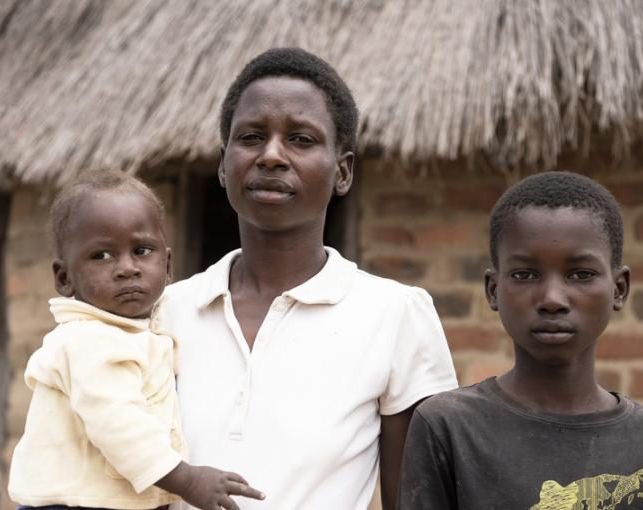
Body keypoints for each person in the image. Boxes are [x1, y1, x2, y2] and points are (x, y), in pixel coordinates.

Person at [159, 47, 458, 509]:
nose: (272, 155)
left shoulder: (395, 315)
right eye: (252, 137)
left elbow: (414, 500)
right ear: (223, 165)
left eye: (300, 139)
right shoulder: (167, 312)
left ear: (342, 172)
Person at [397, 171, 643, 509]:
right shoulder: (450, 428)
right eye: (525, 275)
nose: (553, 298)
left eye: (580, 275)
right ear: (494, 290)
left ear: (619, 289)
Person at [8, 171, 264, 510]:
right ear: (64, 278)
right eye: (101, 256)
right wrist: (187, 480)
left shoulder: (144, 330)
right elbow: (117, 423)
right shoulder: (87, 340)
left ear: (168, 265)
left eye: (141, 251)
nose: (127, 268)